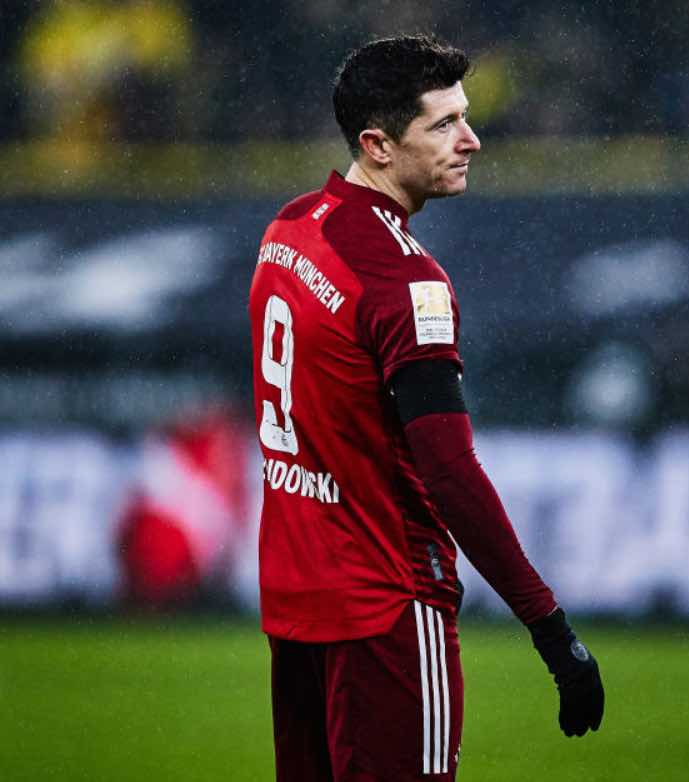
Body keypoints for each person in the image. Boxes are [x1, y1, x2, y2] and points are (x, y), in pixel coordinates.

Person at [248, 34, 604, 781]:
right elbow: (450, 473)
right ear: (378, 145)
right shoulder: (405, 282)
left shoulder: (286, 232)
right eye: (443, 125)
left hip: (296, 600)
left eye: (464, 117)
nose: (471, 140)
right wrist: (549, 626)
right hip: (387, 605)